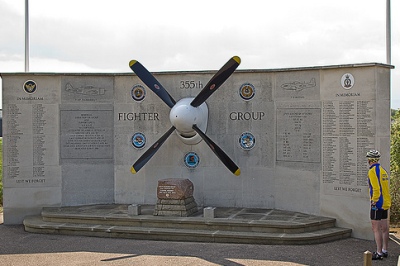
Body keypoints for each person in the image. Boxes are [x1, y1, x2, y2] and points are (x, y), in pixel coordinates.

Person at [366, 149, 391, 260]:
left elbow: (376, 188)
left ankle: (379, 252)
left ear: (370, 160)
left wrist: (374, 200)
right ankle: (385, 250)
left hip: (377, 203)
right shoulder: (382, 170)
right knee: (384, 227)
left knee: (375, 228)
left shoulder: (372, 171)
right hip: (385, 202)